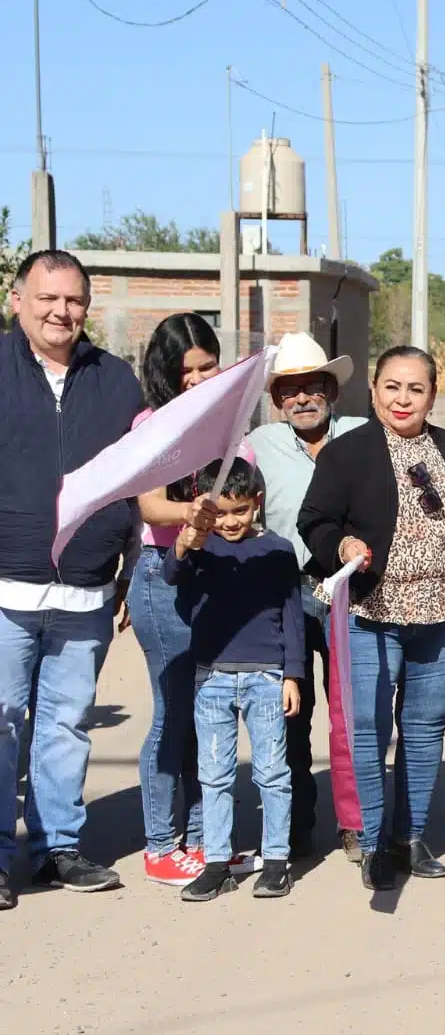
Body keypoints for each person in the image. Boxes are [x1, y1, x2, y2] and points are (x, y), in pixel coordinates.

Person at [298, 346, 445, 891]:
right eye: (392, 387)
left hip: (440, 609)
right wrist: (343, 543)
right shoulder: (346, 453)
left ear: (431, 395)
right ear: (374, 391)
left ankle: (412, 836)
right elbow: (315, 521)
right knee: (369, 730)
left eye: (415, 388)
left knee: (424, 729)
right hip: (371, 611)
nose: (403, 399)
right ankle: (374, 843)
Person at [0, 249, 143, 909]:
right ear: (16, 299)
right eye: (48, 298)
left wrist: (129, 570)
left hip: (86, 588)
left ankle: (58, 846)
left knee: (65, 723)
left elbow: (139, 478)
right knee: (1, 721)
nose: (62, 311)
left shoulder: (116, 380)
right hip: (6, 587)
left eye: (74, 300)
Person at [246, 332, 365, 862]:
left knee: (352, 711)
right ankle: (295, 825)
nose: (301, 399)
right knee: (289, 714)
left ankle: (357, 823)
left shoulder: (366, 437)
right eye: (288, 391)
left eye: (312, 387)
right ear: (276, 400)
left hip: (350, 590)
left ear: (331, 390)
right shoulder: (257, 446)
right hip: (285, 591)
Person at [162, 461, 302, 902]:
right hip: (212, 678)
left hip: (265, 677)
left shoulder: (278, 550)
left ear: (255, 504)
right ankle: (217, 863)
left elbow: (293, 616)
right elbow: (170, 575)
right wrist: (186, 541)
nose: (230, 522)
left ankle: (277, 861)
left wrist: (292, 675)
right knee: (215, 774)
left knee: (272, 773)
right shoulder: (200, 547)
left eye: (239, 511)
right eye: (220, 513)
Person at [127, 313, 225, 886]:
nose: (194, 379)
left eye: (205, 367)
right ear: (163, 373)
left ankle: (199, 837)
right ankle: (161, 844)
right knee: (172, 716)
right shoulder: (152, 423)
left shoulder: (225, 420)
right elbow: (150, 506)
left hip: (214, 578)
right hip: (164, 577)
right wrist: (192, 513)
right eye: (182, 370)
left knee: (203, 714)